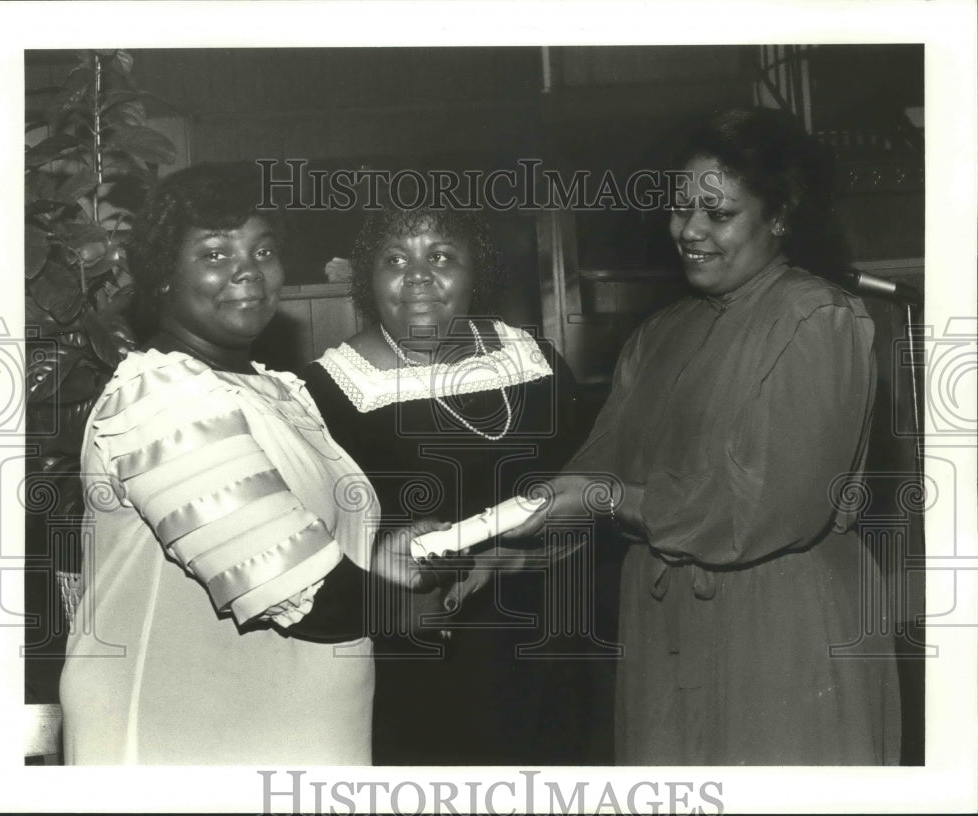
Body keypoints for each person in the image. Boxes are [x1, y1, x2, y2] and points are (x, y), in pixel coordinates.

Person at [509, 107, 902, 765]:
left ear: (778, 218)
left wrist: (606, 501)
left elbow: (755, 508)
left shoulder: (815, 317)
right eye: (679, 209)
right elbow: (594, 469)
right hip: (665, 632)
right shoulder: (658, 335)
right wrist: (496, 549)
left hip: (781, 632)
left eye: (719, 215)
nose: (688, 230)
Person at [59, 163, 449, 765]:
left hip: (286, 727)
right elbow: (304, 593)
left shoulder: (274, 390)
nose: (247, 270)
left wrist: (385, 560)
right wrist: (418, 607)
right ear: (162, 277)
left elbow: (304, 540)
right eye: (215, 253)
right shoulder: (162, 398)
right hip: (187, 742)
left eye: (263, 250)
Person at [304, 204, 617, 765]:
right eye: (395, 258)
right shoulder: (327, 391)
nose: (419, 275)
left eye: (442, 256)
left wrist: (516, 559)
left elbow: (593, 498)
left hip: (552, 642)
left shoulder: (536, 362)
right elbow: (321, 545)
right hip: (421, 655)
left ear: (479, 270)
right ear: (368, 278)